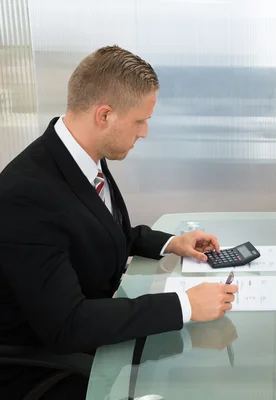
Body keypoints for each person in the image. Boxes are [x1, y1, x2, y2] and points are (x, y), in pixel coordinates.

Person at [0, 46, 238, 399]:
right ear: (105, 115)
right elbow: (67, 324)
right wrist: (184, 305)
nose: (144, 133)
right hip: (53, 365)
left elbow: (93, 230)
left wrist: (170, 243)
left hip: (97, 333)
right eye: (140, 121)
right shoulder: (25, 195)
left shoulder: (80, 156)